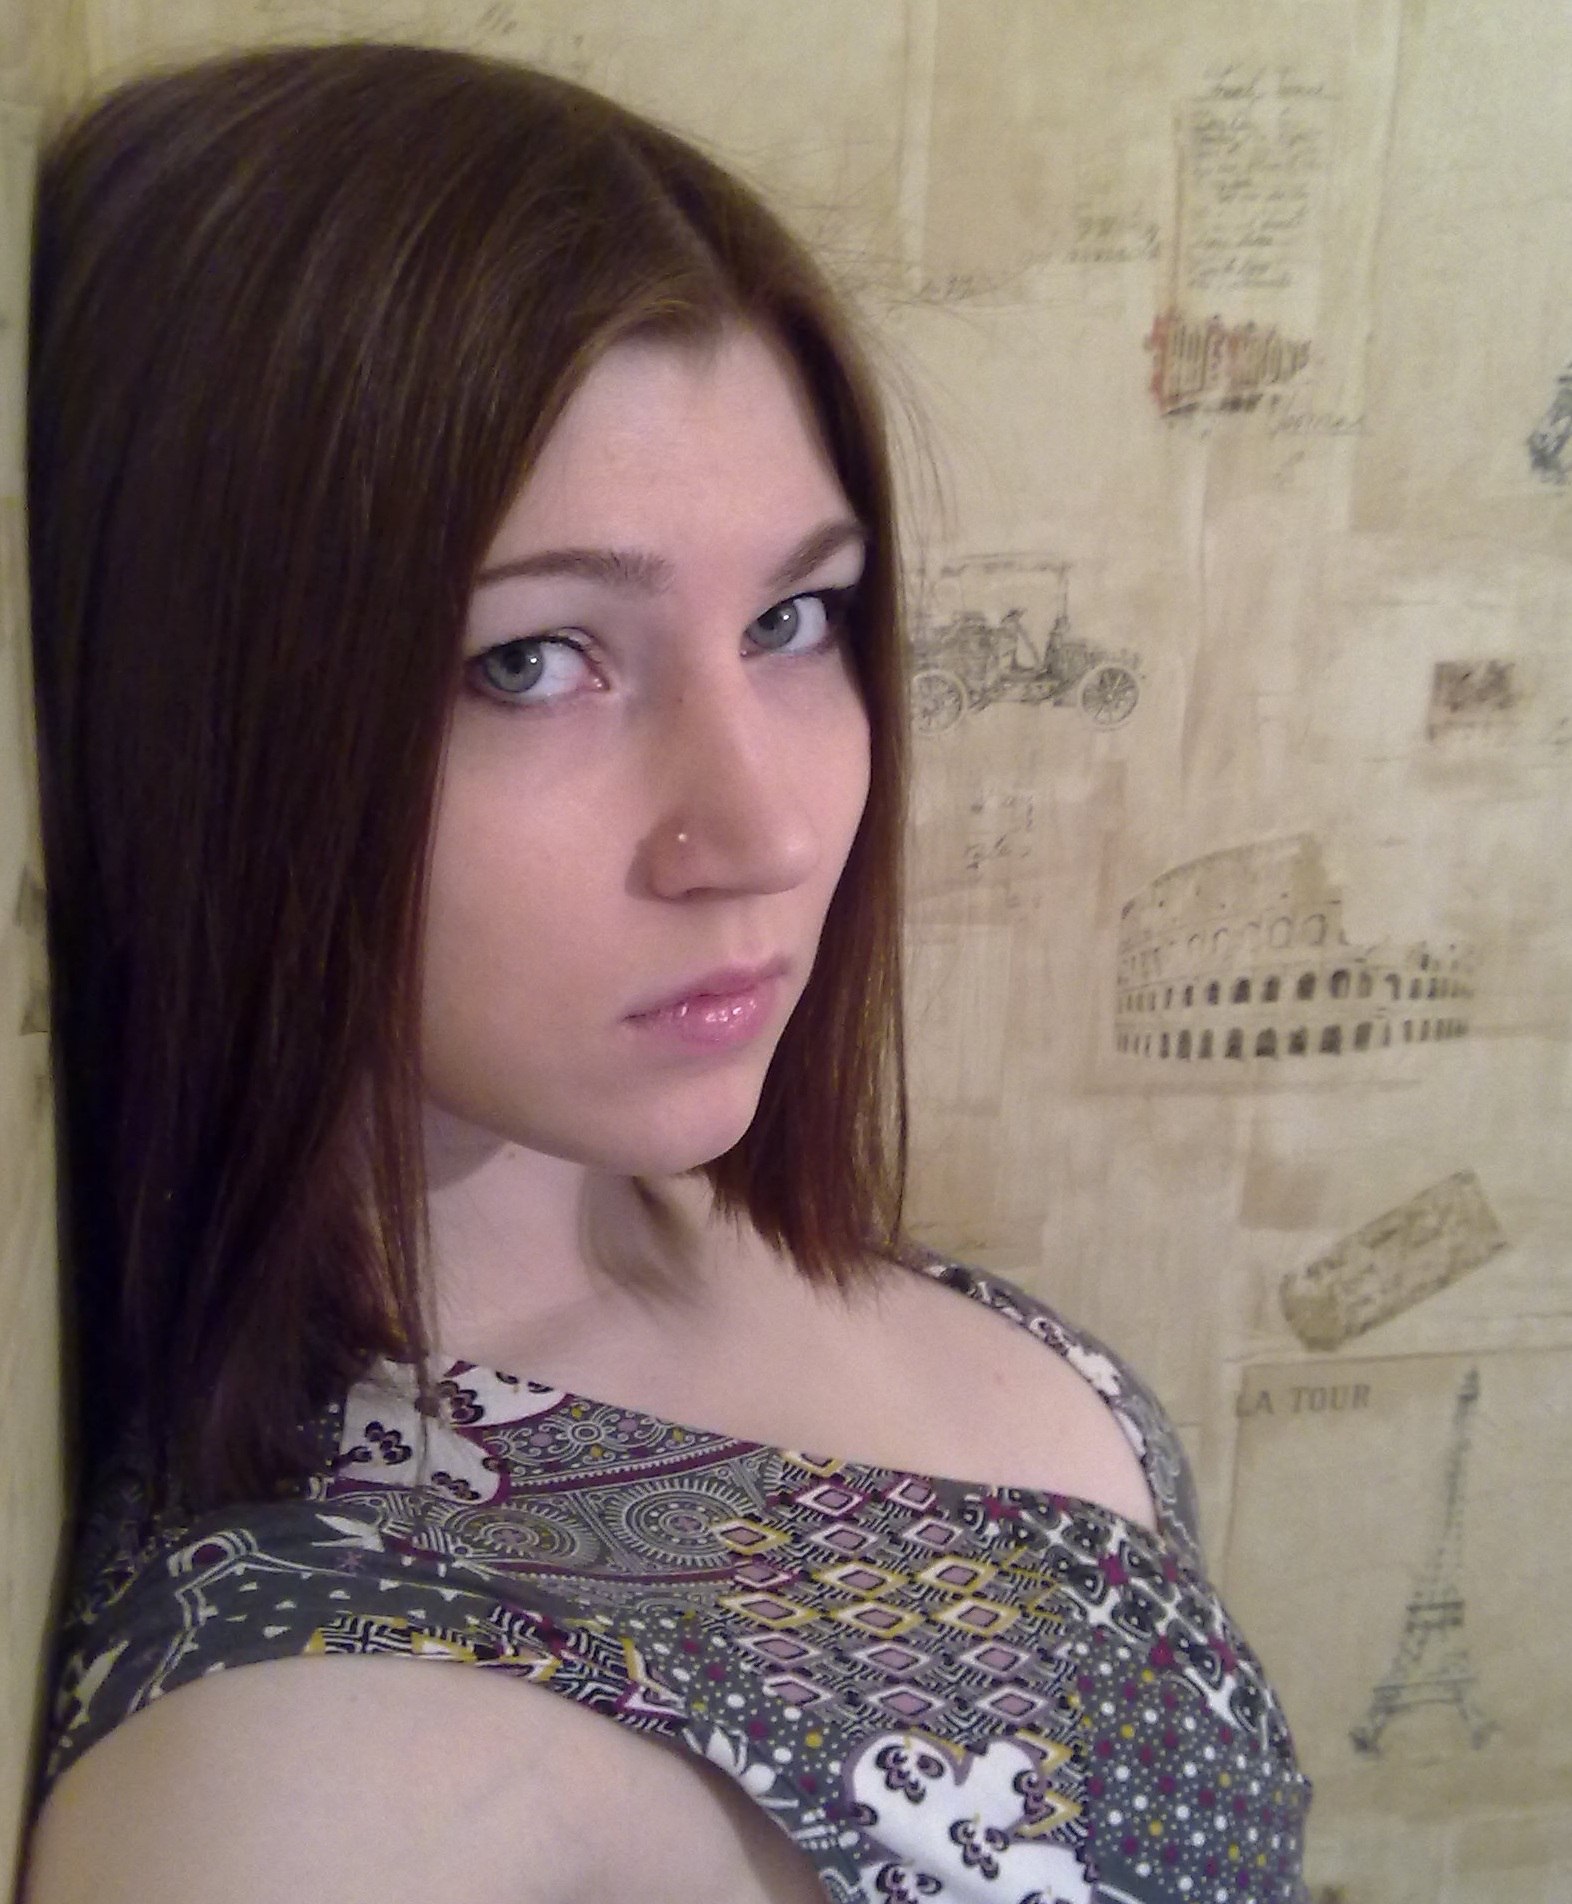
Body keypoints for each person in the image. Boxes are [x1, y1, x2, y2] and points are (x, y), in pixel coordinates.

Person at [22, 42, 1310, 1904]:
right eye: (532, 660)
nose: (765, 827)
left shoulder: (725, 1226)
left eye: (794, 617)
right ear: (194, 711)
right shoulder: (314, 1777)